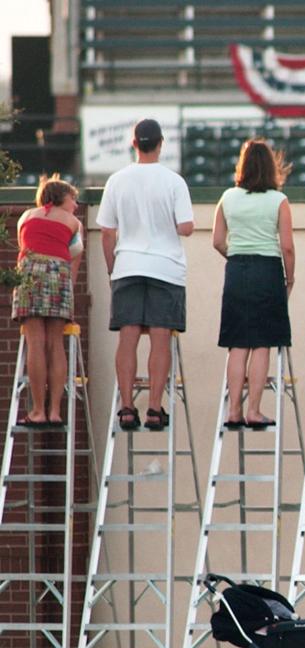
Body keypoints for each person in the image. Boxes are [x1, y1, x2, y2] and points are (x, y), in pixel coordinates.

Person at [97, 119, 195, 432]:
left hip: (128, 266)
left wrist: (114, 268)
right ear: (160, 143)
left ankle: (126, 407)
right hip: (165, 268)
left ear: (134, 143)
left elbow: (107, 232)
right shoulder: (174, 181)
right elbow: (186, 227)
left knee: (127, 338)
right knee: (160, 337)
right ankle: (154, 407)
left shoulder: (117, 180)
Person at [212, 138, 295, 429]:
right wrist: (290, 277)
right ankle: (254, 410)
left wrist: (235, 255)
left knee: (237, 344)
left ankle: (233, 409)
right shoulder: (278, 201)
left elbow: (217, 241)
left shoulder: (228, 197)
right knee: (262, 344)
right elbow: (287, 246)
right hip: (267, 270)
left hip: (237, 269)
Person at [11, 175, 83, 428]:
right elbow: (74, 256)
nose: (75, 204)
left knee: (35, 343)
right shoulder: (73, 222)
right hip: (58, 274)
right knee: (55, 343)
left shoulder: (26, 217)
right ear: (60, 197)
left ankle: (38, 410)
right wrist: (68, 293)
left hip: (29, 272)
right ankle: (54, 411)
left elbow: (24, 246)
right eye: (73, 198)